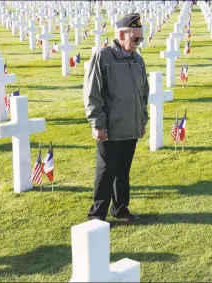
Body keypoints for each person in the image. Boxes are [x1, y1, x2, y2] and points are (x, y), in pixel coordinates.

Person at [83, 13, 149, 222]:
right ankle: (97, 216)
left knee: (123, 172)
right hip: (110, 128)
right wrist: (98, 124)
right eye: (135, 39)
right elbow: (92, 93)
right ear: (121, 34)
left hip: (130, 126)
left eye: (141, 39)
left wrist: (142, 120)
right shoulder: (103, 57)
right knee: (106, 173)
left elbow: (143, 93)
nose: (138, 44)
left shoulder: (138, 60)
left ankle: (120, 209)